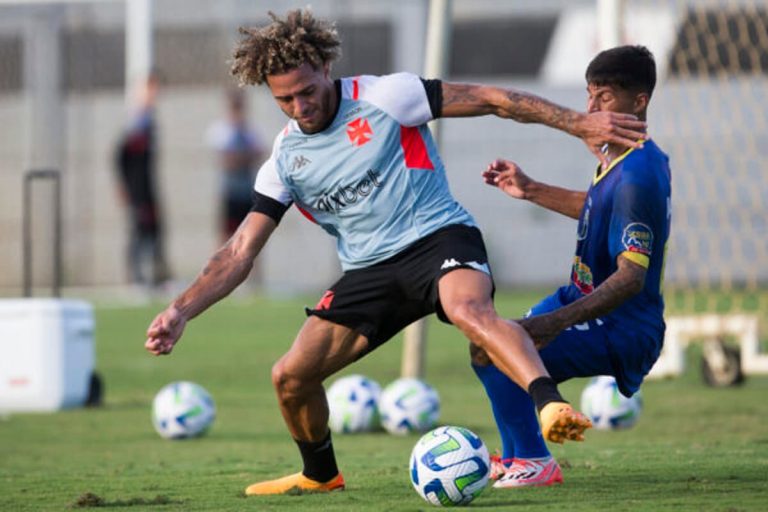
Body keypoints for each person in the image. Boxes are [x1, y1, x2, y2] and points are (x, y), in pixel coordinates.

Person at [144, 9, 647, 496]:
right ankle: (320, 476)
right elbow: (238, 252)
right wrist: (181, 309)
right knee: (291, 377)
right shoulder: (284, 161)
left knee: (468, 310)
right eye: (285, 100)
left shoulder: (386, 96)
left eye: (307, 91)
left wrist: (577, 124)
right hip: (370, 271)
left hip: (439, 237)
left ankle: (548, 403)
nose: (301, 106)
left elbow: (494, 98)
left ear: (325, 67)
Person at [477, 45, 671, 488]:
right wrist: (531, 189)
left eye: (603, 96)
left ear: (639, 101)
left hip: (621, 324)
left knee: (499, 350)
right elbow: (599, 210)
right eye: (589, 95)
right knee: (492, 344)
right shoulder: (617, 160)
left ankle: (532, 461)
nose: (590, 108)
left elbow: (630, 277)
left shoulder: (637, 173)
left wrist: (555, 322)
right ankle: (519, 458)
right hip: (582, 300)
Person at [115, 72, 171, 287]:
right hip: (138, 186)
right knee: (141, 227)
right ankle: (136, 277)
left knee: (155, 227)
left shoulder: (149, 118)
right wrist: (125, 186)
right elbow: (120, 155)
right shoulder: (138, 121)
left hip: (147, 183)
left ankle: (157, 275)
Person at [206, 88, 265, 242]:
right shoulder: (221, 130)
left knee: (252, 237)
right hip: (230, 192)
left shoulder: (250, 130)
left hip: (248, 192)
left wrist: (238, 158)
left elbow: (259, 154)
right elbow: (226, 161)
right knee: (226, 236)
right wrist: (244, 158)